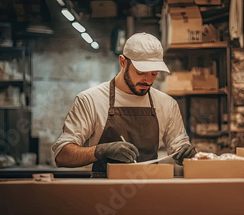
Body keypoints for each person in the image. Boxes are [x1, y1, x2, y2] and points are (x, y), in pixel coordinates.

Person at [52, 32, 197, 177]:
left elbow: (179, 148)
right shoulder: (90, 100)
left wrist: (186, 153)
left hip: (150, 190)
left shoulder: (167, 104)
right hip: (102, 192)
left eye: (154, 73)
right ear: (123, 62)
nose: (148, 80)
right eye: (141, 72)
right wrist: (101, 150)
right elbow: (62, 155)